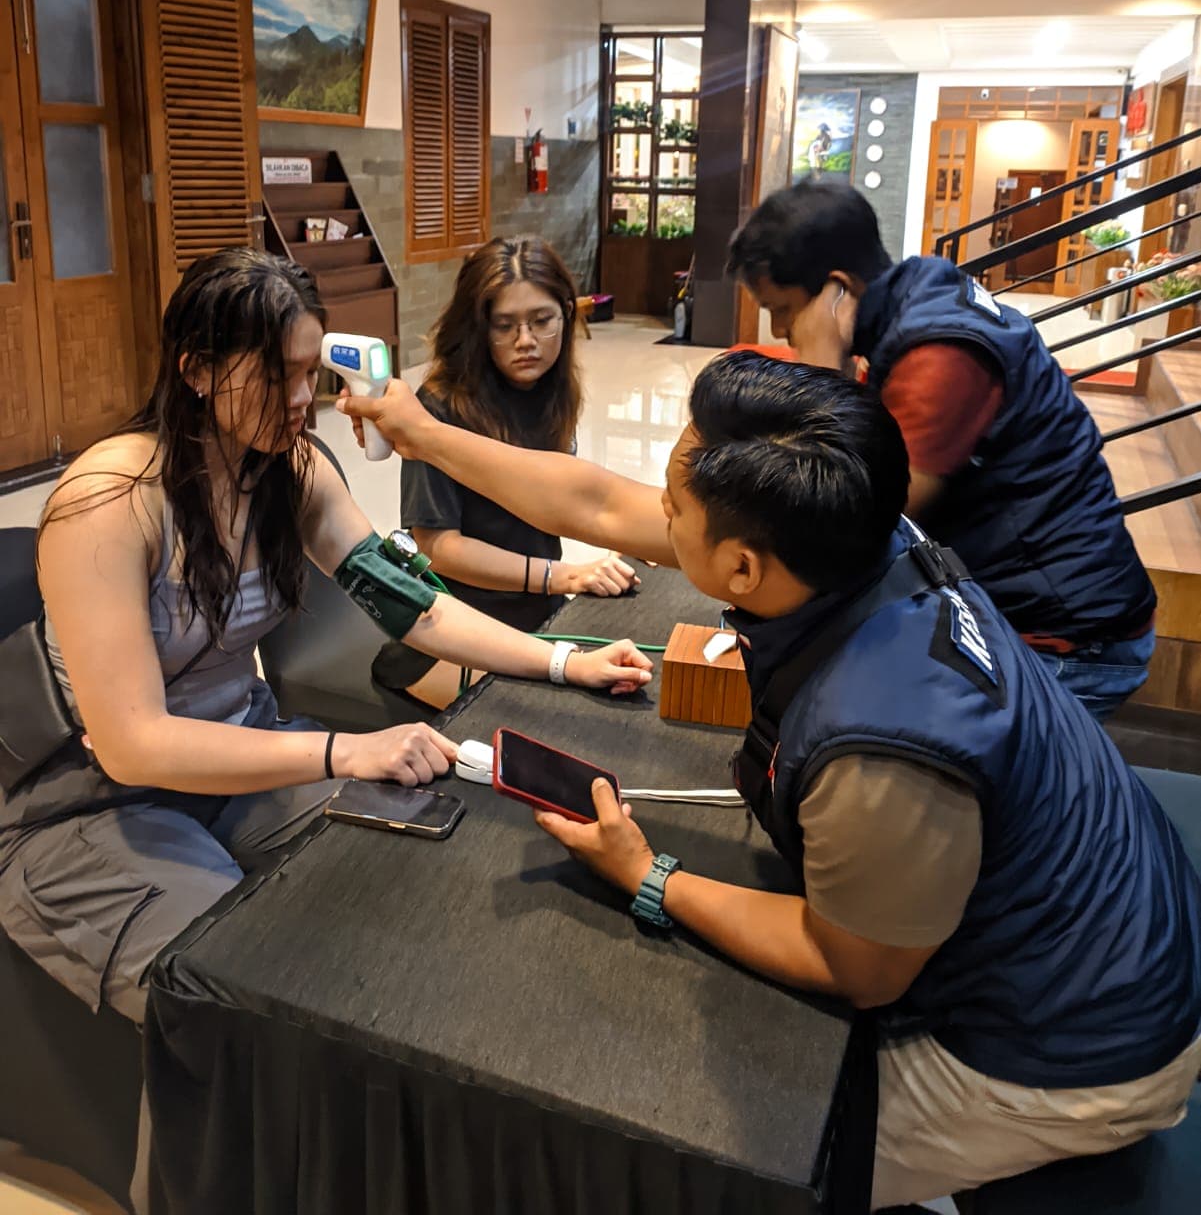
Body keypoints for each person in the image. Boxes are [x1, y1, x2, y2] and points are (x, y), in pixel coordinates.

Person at [534, 354, 1201, 1209]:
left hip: (1074, 1050)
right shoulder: (873, 535)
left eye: (674, 510)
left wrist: (648, 875)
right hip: (1120, 921)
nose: (656, 516)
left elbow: (857, 966)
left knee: (696, 1142)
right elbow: (600, 503)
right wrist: (427, 436)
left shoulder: (880, 742)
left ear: (741, 570)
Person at [0, 250, 650, 1029]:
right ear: (198, 370)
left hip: (240, 758)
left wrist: (562, 660)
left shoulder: (290, 468)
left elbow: (418, 609)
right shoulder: (109, 503)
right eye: (280, 376)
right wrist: (345, 749)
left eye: (314, 372)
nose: (305, 400)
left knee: (413, 868)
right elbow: (133, 746)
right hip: (93, 805)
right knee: (241, 996)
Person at [725, 179, 1157, 719]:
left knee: (890, 752)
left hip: (1069, 641)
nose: (781, 329)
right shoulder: (917, 296)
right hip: (1031, 607)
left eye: (783, 308)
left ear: (837, 288)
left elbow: (852, 514)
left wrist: (819, 374)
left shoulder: (939, 356)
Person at [384, 238, 637, 707]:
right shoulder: (438, 407)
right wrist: (560, 576)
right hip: (451, 630)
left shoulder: (553, 392)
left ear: (567, 314)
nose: (526, 341)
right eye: (504, 326)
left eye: (542, 322)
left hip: (539, 615)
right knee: (556, 723)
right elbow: (438, 549)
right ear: (478, 329)